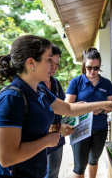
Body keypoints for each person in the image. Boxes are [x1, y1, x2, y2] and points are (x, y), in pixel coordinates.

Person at [0, 35, 112, 178]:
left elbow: (68, 109)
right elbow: (7, 158)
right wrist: (47, 140)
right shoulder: (11, 98)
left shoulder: (41, 91)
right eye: (48, 60)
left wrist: (104, 104)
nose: (52, 66)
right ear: (31, 63)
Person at [65, 48, 112, 178]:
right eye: (89, 68)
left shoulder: (106, 83)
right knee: (79, 167)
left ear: (100, 66)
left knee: (93, 160)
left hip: (100, 129)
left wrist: (102, 109)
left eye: (96, 68)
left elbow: (111, 106)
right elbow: (67, 106)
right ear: (84, 65)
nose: (92, 71)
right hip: (80, 129)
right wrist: (88, 107)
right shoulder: (76, 82)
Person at [39, 44, 65, 178]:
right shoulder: (35, 86)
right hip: (41, 143)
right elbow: (36, 124)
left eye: (57, 64)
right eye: (51, 63)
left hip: (57, 142)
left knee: (54, 175)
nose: (54, 68)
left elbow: (65, 108)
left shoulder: (56, 83)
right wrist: (59, 128)